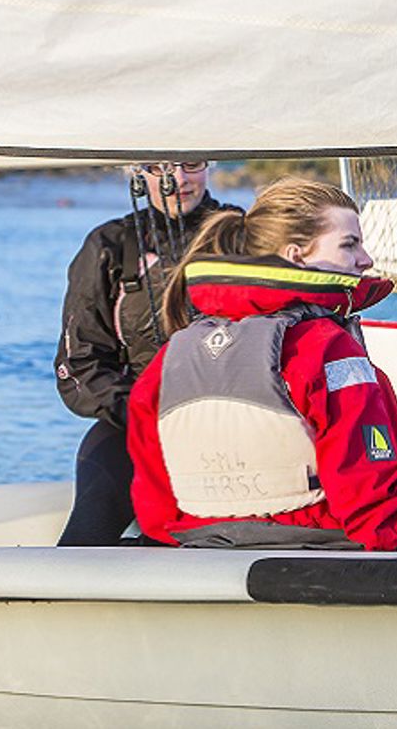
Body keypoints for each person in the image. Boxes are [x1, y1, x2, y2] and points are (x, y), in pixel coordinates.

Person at [126, 178, 397, 550]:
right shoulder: (323, 349)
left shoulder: (170, 357)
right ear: (297, 256)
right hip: (324, 554)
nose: (367, 259)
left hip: (204, 553)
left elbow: (156, 512)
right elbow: (376, 514)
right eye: (349, 244)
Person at [54, 161, 233, 545]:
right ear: (134, 173)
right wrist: (144, 413)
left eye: (192, 165)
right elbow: (80, 367)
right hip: (133, 423)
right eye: (158, 168)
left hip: (230, 427)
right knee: (86, 534)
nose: (179, 181)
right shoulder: (109, 246)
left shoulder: (243, 238)